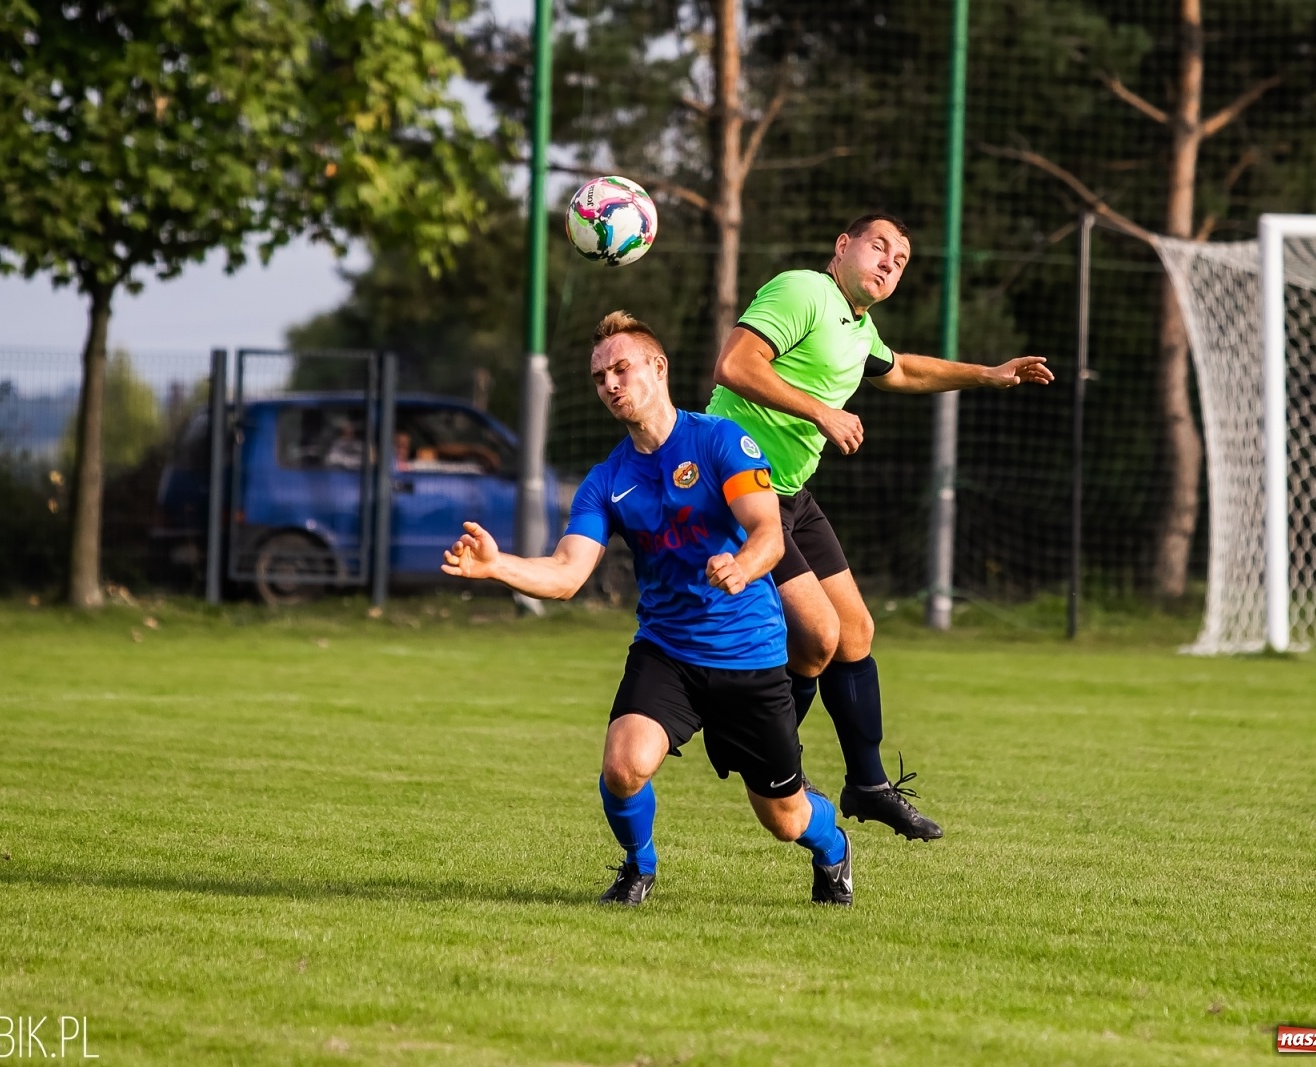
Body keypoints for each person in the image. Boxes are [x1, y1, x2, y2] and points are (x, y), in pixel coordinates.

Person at [442, 310, 854, 906]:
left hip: (749, 654)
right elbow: (566, 573)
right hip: (668, 651)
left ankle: (834, 847)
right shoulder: (607, 480)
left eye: (621, 368)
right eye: (599, 377)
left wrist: (744, 566)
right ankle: (639, 868)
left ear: (657, 369)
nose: (610, 384)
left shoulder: (719, 440)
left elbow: (767, 529)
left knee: (785, 819)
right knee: (623, 764)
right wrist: (496, 564)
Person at [706, 213, 1054, 841]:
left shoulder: (856, 325)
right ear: (843, 247)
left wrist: (989, 373)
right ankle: (755, 748)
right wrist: (823, 413)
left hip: (788, 493)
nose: (892, 261)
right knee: (816, 637)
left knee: (856, 632)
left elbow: (901, 370)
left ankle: (866, 786)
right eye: (880, 246)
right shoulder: (803, 291)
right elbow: (734, 365)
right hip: (736, 485)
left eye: (902, 258)